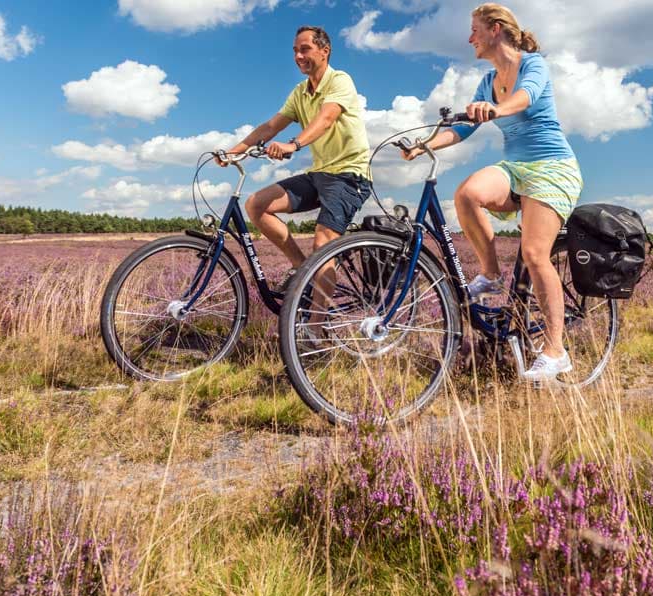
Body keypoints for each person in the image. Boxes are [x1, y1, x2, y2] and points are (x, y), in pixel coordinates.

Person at [401, 3, 583, 381]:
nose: (470, 38)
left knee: (535, 253)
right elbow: (464, 129)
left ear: (495, 29)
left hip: (552, 168)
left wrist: (495, 109)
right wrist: (424, 145)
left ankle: (555, 351)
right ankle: (491, 274)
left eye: (474, 30)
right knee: (467, 194)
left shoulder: (532, 65)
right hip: (516, 170)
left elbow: (526, 98)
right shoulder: (487, 81)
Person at [218, 25, 372, 286]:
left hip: (349, 176)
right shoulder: (300, 92)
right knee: (256, 205)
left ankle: (316, 325)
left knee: (323, 244)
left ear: (325, 51)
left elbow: (326, 118)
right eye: (295, 51)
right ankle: (303, 272)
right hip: (320, 173)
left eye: (305, 49)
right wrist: (233, 152)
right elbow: (270, 127)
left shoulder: (339, 80)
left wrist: (294, 144)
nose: (298, 56)